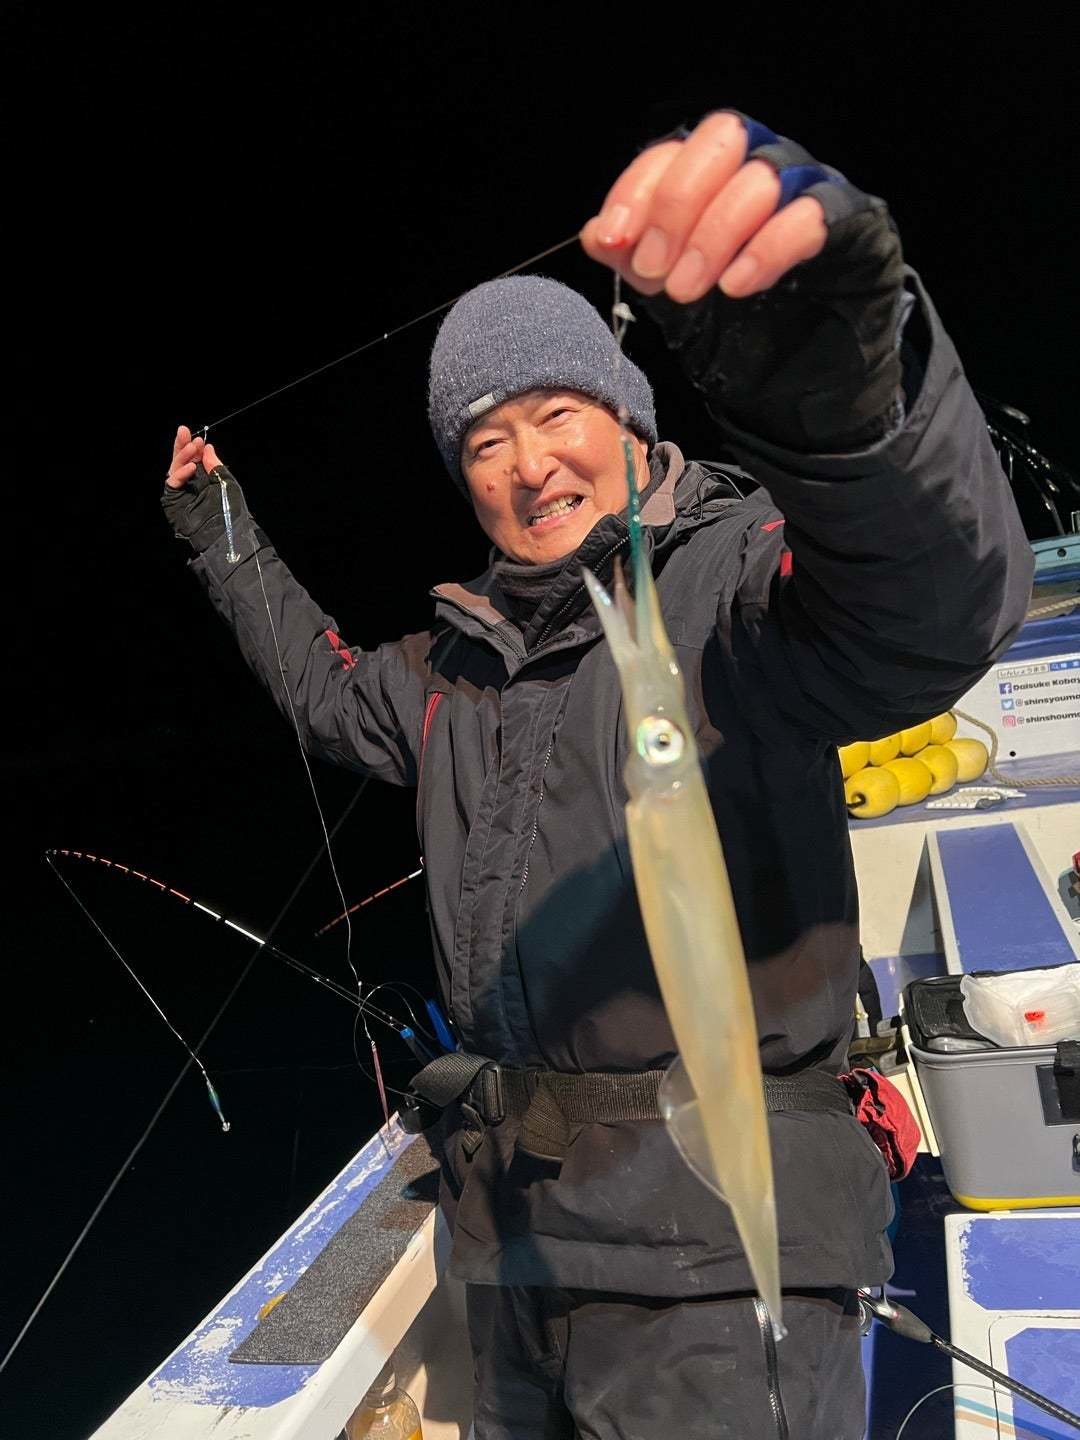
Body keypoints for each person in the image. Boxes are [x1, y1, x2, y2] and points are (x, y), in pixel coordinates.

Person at [163, 111, 1032, 1439]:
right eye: (484, 443)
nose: (528, 465)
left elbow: (929, 608)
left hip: (717, 1269)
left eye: (557, 412)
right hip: (516, 1242)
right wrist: (217, 528)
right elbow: (324, 696)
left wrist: (843, 405)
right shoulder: (457, 668)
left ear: (630, 416)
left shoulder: (733, 585)